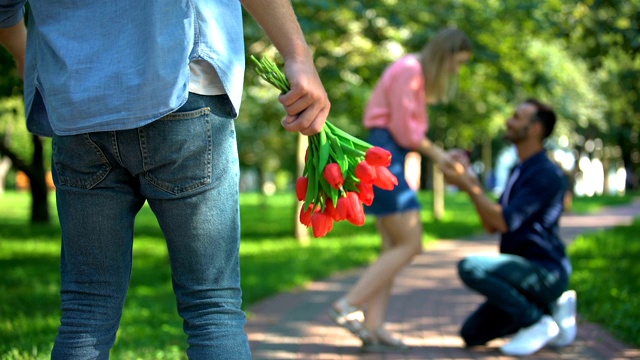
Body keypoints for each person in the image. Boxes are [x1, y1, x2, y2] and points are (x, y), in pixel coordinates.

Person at [0, 1, 329, 359]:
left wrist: (24, 55)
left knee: (85, 311)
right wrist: (298, 54)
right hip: (181, 87)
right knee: (211, 307)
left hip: (78, 108)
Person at [328, 27, 472, 352]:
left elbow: (407, 132)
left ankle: (374, 325)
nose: (455, 70)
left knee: (393, 245)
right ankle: (346, 305)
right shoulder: (410, 70)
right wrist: (439, 156)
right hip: (385, 155)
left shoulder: (413, 71)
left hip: (388, 153)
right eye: (456, 62)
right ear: (443, 54)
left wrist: (439, 155)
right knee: (411, 243)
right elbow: (406, 132)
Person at [441, 99, 577, 356]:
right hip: (518, 271)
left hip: (544, 270)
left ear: (535, 128)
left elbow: (503, 220)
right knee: (472, 334)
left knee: (471, 267)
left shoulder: (545, 173)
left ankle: (537, 321)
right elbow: (492, 224)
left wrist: (468, 184)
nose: (508, 122)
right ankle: (550, 309)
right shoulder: (519, 169)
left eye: (517, 117)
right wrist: (468, 178)